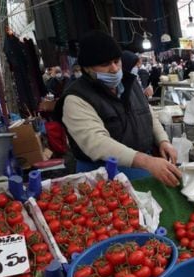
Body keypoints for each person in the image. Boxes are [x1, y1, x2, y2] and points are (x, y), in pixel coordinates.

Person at [56, 30, 180, 186]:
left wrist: (163, 141)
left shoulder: (130, 83)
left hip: (143, 167)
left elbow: (147, 114)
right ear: (87, 68)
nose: (114, 69)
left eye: (116, 61)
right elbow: (97, 143)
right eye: (105, 64)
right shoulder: (76, 99)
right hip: (103, 176)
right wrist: (146, 161)